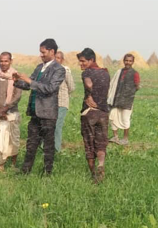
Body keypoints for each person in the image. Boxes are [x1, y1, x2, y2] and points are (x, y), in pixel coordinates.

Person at [13, 38, 66, 175]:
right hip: (35, 113)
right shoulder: (38, 68)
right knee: (31, 145)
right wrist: (17, 81)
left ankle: (47, 172)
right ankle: (25, 171)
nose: (41, 55)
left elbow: (49, 88)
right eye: (40, 52)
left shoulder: (59, 70)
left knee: (48, 147)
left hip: (48, 114)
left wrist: (29, 80)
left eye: (43, 52)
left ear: (52, 51)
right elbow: (28, 84)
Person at [77, 48, 110, 183]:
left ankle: (93, 175)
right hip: (103, 112)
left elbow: (88, 84)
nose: (81, 64)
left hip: (89, 112)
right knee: (101, 143)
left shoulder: (87, 72)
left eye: (83, 61)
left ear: (91, 60)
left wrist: (89, 94)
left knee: (89, 145)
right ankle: (101, 165)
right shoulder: (105, 73)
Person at [0, 52, 22, 171]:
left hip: (12, 113)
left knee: (13, 140)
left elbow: (17, 95)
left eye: (6, 61)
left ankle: (13, 164)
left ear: (10, 61)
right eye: (1, 61)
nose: (3, 63)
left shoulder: (16, 76)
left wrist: (6, 108)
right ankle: (0, 164)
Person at [109, 53, 141, 145]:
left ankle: (125, 139)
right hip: (116, 99)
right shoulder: (120, 71)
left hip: (127, 100)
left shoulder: (135, 73)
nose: (128, 62)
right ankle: (115, 137)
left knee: (125, 119)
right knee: (113, 117)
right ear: (124, 61)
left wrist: (129, 92)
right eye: (126, 60)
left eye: (130, 61)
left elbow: (137, 86)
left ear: (133, 62)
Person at [54, 50, 75, 152]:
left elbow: (72, 87)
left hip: (62, 103)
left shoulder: (65, 71)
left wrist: (64, 94)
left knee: (57, 125)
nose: (56, 60)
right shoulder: (49, 70)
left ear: (62, 60)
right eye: (55, 57)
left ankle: (56, 148)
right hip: (51, 103)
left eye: (58, 58)